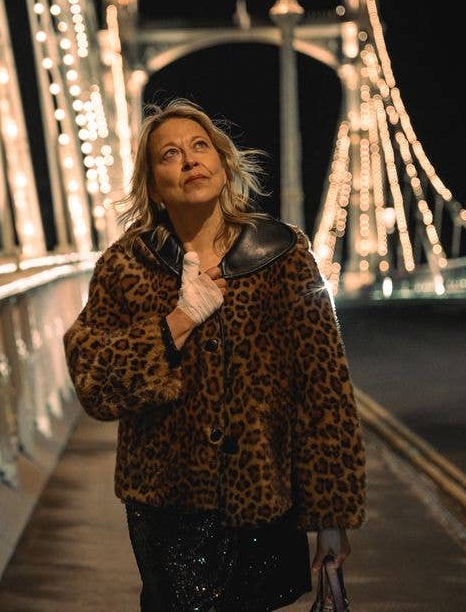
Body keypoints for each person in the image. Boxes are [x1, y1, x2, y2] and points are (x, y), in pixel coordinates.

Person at [63, 99, 366, 611]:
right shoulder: (126, 266)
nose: (189, 160)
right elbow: (94, 382)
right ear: (153, 186)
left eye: (200, 146)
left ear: (224, 167)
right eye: (170, 154)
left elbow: (324, 391)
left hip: (264, 503)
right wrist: (177, 322)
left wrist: (331, 515)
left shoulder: (283, 256)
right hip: (167, 511)